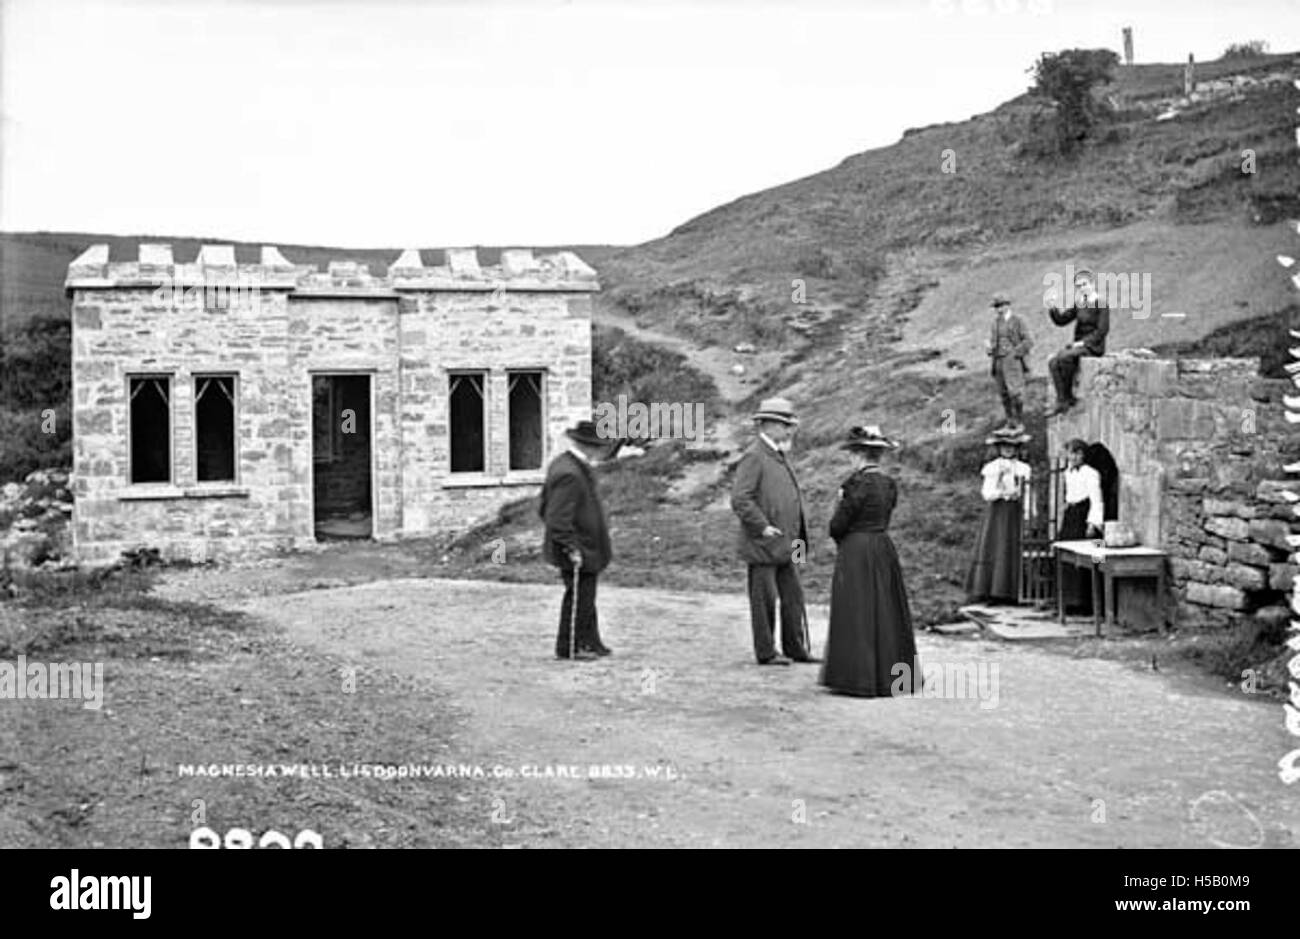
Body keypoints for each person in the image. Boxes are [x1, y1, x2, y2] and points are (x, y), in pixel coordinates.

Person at [820, 425, 921, 697]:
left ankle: (858, 677)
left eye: (853, 453)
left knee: (857, 609)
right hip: (882, 545)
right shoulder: (889, 484)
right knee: (885, 609)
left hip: (856, 549)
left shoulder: (854, 484)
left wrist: (838, 516)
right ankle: (894, 675)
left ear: (861, 455)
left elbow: (838, 524)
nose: (851, 459)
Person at [730, 397, 817, 666]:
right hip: (764, 543)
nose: (790, 430)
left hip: (787, 543)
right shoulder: (754, 455)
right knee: (764, 600)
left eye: (790, 424)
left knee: (793, 597)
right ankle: (767, 652)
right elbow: (740, 498)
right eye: (784, 424)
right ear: (766, 424)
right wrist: (762, 526)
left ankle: (796, 648)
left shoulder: (777, 453)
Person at [540, 419, 613, 661]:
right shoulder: (569, 473)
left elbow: (544, 508)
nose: (601, 451)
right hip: (578, 547)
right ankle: (569, 646)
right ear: (589, 446)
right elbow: (556, 517)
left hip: (586, 545)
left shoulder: (568, 465)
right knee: (578, 597)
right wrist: (570, 546)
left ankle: (591, 642)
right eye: (598, 446)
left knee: (586, 595)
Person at [965, 426, 1033, 604]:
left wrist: (1028, 514)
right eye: (1004, 446)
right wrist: (1000, 490)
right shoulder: (992, 468)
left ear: (1017, 448)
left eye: (1011, 446)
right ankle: (990, 591)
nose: (1008, 449)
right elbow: (987, 493)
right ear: (999, 448)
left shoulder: (1024, 469)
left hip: (1015, 511)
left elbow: (1029, 493)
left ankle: (1011, 592)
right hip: (997, 511)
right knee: (995, 547)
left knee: (1012, 548)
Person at [1046, 267, 1109, 416]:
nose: (1082, 288)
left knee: (1065, 357)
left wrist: (1083, 343)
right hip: (1078, 346)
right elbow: (1062, 320)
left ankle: (1066, 398)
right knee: (1053, 362)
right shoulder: (1080, 303)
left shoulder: (1101, 303)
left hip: (1093, 347)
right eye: (1079, 286)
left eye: (1084, 284)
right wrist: (1053, 308)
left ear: (1092, 284)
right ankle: (1063, 399)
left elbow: (1102, 331)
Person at [1057, 438, 1104, 613]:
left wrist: (1093, 524)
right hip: (1072, 515)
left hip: (1085, 515)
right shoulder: (1067, 473)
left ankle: (1089, 604)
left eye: (1078, 453)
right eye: (1071, 453)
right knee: (1068, 555)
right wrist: (1066, 506)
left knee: (1092, 557)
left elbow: (1096, 500)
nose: (1074, 457)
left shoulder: (1091, 473)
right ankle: (1069, 602)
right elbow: (1069, 494)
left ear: (1083, 455)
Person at [985, 293, 1032, 430]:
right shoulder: (995, 323)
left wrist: (1015, 353)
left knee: (1015, 393)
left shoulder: (1018, 321)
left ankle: (1019, 420)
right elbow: (994, 343)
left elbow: (1028, 341)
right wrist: (989, 349)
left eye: (1001, 306)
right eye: (996, 307)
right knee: (1003, 394)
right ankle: (1010, 420)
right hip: (998, 362)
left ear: (1007, 305)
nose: (999, 309)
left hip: (1013, 363)